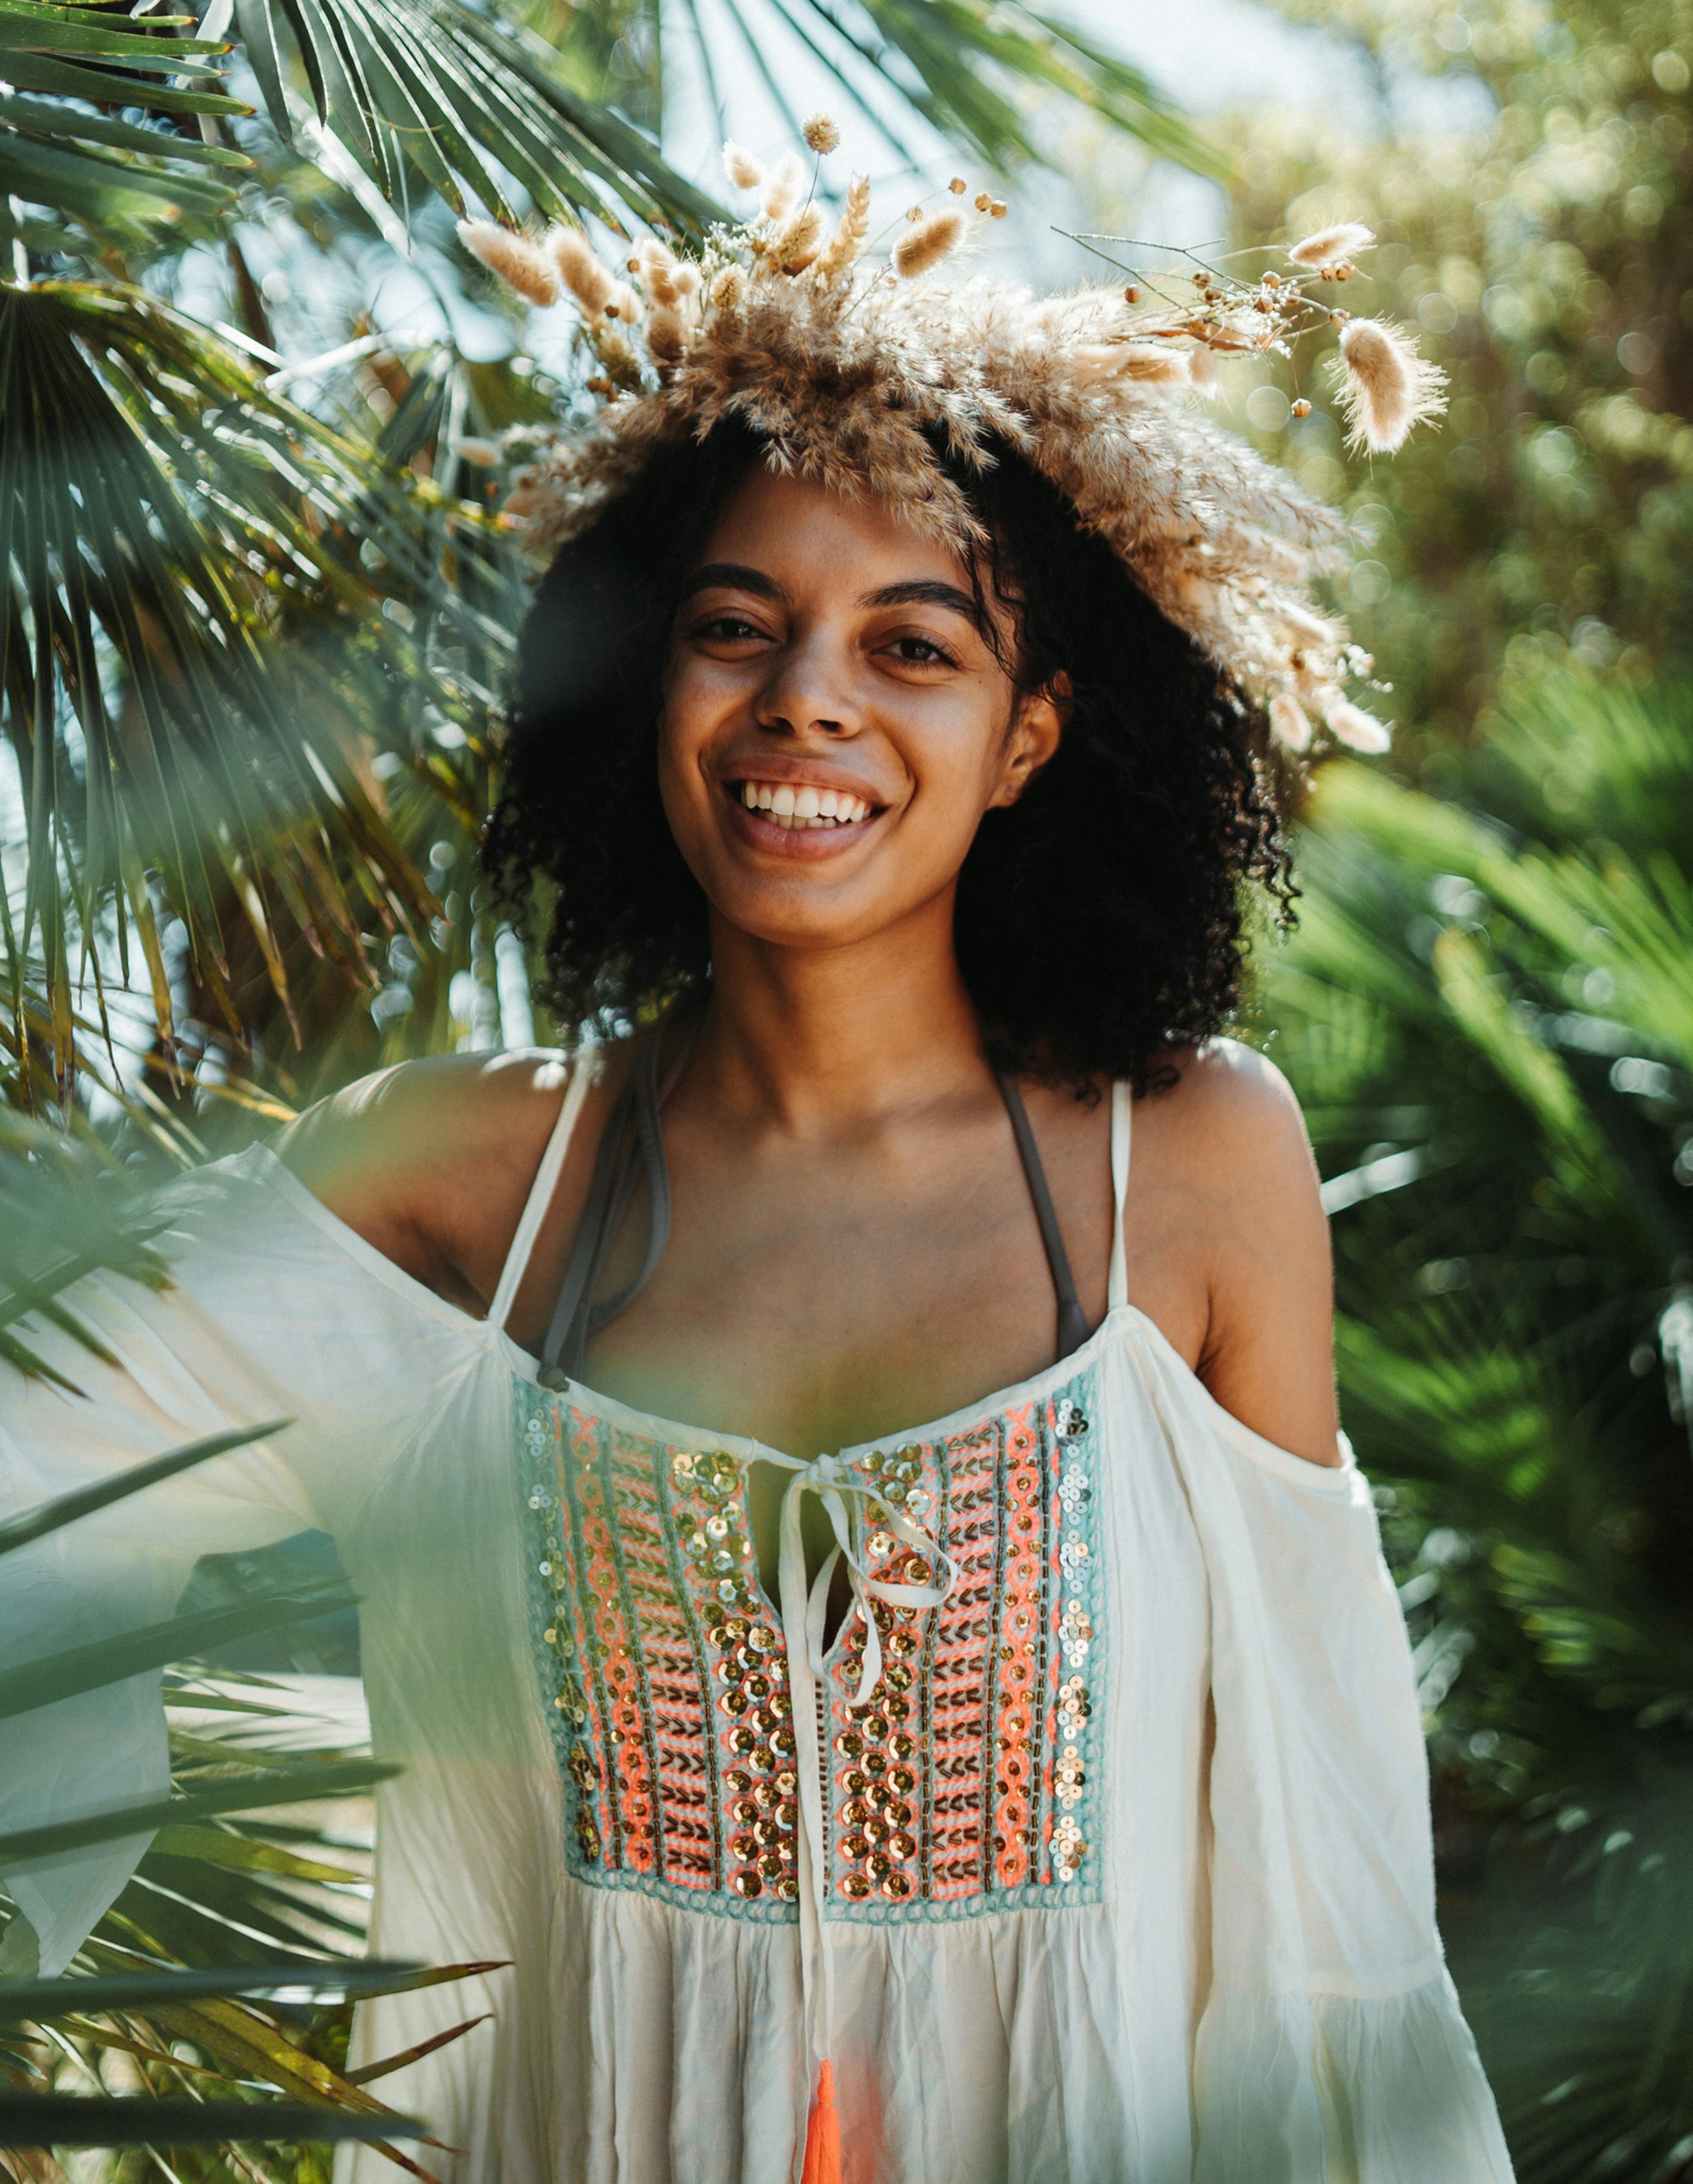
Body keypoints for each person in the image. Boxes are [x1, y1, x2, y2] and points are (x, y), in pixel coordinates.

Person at [0, 139, 1511, 2184]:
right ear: (655, 678)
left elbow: (1335, 1896)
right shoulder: (457, 1188)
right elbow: (37, 1476)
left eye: (912, 647)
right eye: (738, 626)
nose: (805, 705)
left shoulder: (1189, 1166)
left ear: (1034, 732)